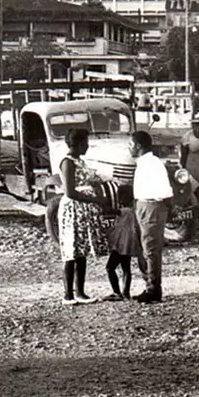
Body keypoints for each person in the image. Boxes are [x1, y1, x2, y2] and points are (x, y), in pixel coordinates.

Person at [57, 128, 109, 305]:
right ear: (78, 144)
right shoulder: (67, 163)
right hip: (73, 210)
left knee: (81, 251)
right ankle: (68, 295)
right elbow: (70, 192)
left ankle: (80, 292)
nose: (87, 146)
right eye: (85, 143)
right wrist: (94, 199)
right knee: (70, 250)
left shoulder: (80, 162)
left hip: (83, 211)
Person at [131, 130, 173, 304]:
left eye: (131, 144)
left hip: (153, 206)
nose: (129, 148)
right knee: (142, 248)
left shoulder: (154, 163)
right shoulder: (142, 163)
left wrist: (167, 209)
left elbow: (165, 191)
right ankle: (148, 284)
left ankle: (154, 289)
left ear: (138, 146)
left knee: (151, 249)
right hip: (142, 204)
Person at [104, 184, 145, 301]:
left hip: (120, 246)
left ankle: (117, 292)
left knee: (110, 268)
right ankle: (126, 293)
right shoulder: (132, 211)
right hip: (128, 245)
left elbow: (110, 210)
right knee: (126, 268)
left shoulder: (124, 211)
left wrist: (103, 200)